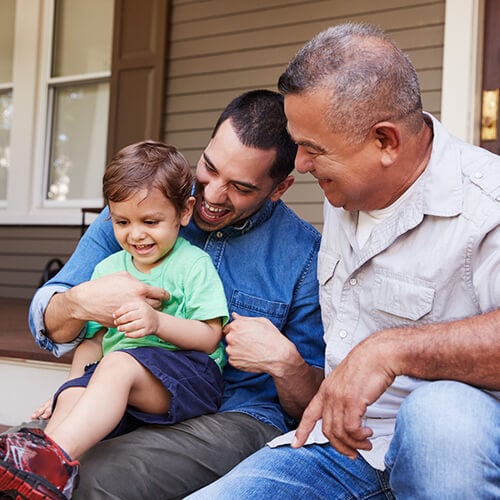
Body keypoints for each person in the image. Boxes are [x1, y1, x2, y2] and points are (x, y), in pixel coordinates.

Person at [187, 23, 500, 499]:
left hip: (456, 456)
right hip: (343, 449)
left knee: (441, 413)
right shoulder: (346, 192)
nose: (303, 166)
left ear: (386, 142)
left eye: (313, 150)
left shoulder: (487, 203)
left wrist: (389, 350)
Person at [14, 90, 325, 498]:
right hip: (123, 393)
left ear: (279, 187)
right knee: (17, 465)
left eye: (240, 187)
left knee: (94, 476)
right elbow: (55, 315)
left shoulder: (303, 256)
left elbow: (311, 406)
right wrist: (80, 302)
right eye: (209, 169)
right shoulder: (140, 210)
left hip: (236, 412)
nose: (212, 195)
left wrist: (287, 364)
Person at [0, 142, 230, 498]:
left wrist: (156, 322)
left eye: (150, 222)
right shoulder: (108, 270)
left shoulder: (192, 265)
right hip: (125, 380)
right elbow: (93, 342)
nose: (135, 234)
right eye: (122, 222)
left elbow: (209, 337)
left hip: (190, 379)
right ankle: (37, 480)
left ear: (184, 212)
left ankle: (46, 464)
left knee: (119, 362)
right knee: (76, 394)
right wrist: (68, 389)